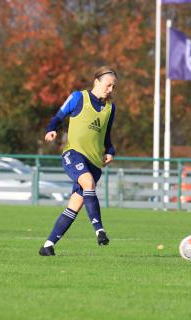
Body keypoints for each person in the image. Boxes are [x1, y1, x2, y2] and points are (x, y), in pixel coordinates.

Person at [39, 66, 118, 256]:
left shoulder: (110, 108)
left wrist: (111, 150)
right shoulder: (78, 97)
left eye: (114, 87)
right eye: (108, 85)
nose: (111, 90)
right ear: (97, 81)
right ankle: (99, 230)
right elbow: (58, 117)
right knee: (88, 182)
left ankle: (48, 246)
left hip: (94, 163)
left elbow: (106, 136)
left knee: (74, 206)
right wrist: (51, 129)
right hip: (73, 154)